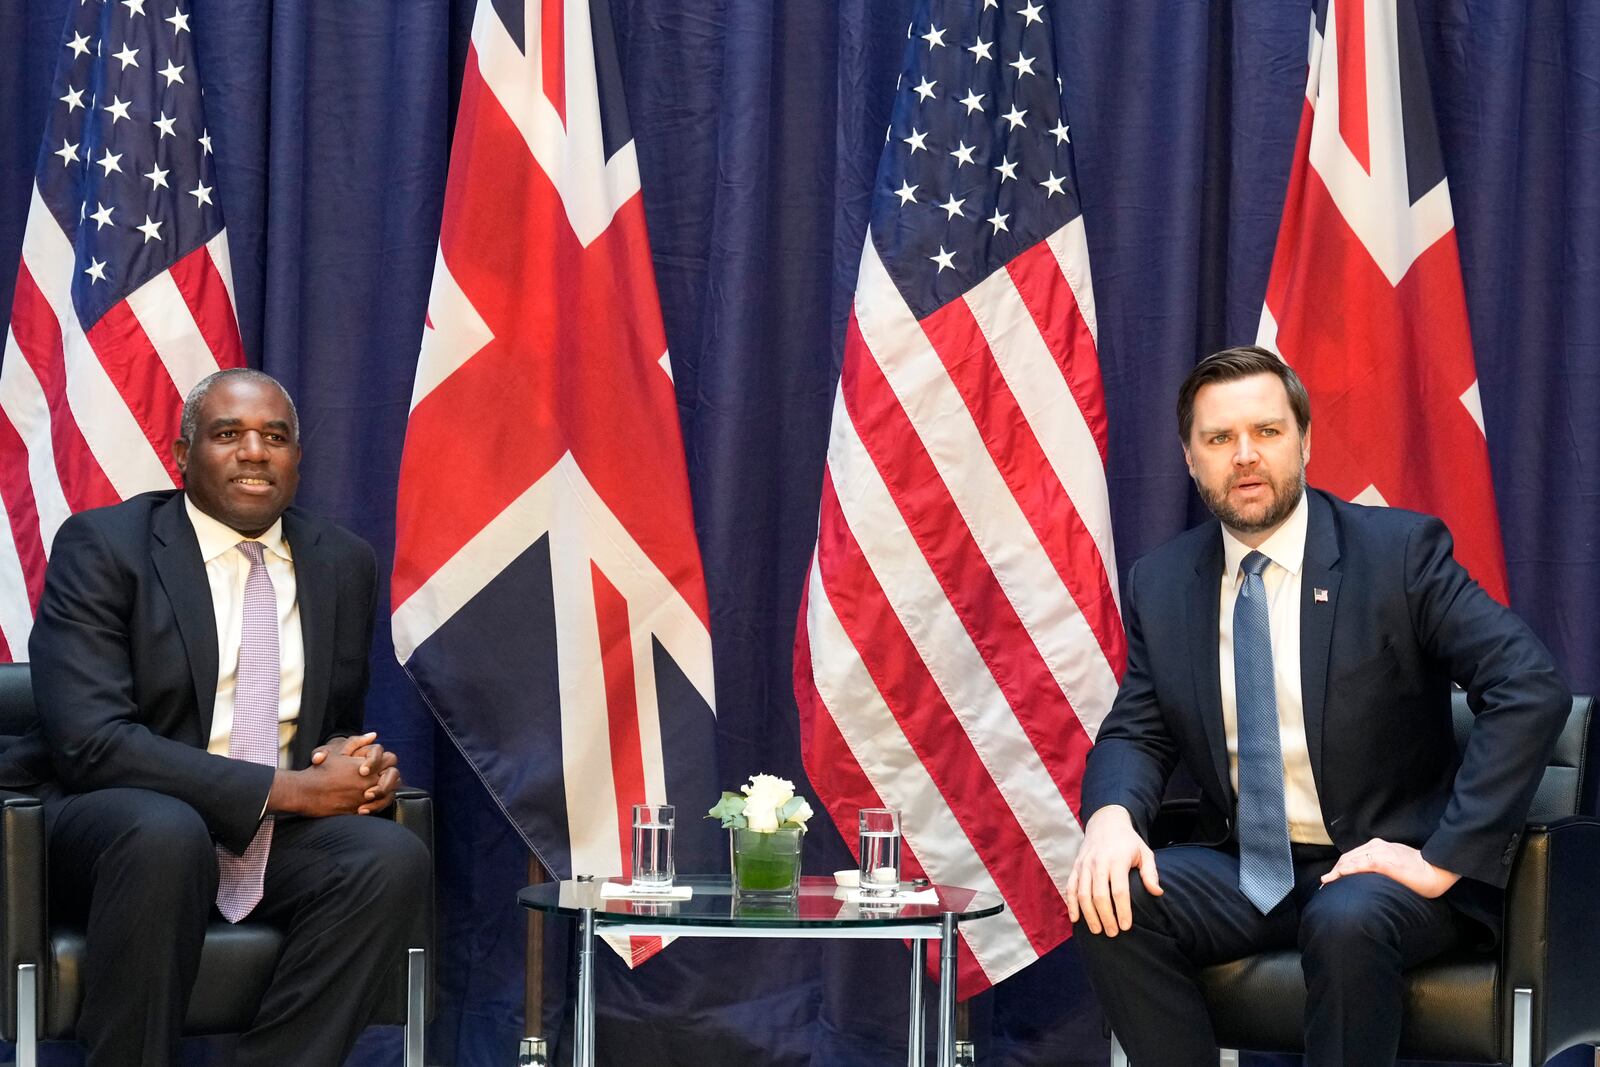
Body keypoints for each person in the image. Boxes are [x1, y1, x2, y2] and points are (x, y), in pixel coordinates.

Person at [1067, 346, 1569, 1066]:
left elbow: (1528, 685)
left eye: (1267, 432)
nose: (1245, 456)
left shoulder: (1398, 553)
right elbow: (1137, 732)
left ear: (1304, 440)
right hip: (1248, 870)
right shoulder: (1165, 582)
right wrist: (1111, 817)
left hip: (1389, 869)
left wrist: (1440, 859)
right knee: (1110, 897)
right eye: (1219, 439)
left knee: (1346, 920)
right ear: (1189, 458)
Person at [0, 368, 429, 1067]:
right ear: (182, 453)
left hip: (261, 838)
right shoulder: (106, 546)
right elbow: (92, 745)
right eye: (229, 433)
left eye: (275, 437)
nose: (255, 451)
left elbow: (329, 723)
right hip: (104, 823)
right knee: (166, 833)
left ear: (296, 459)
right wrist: (288, 790)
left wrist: (356, 766)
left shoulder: (341, 563)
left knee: (387, 856)